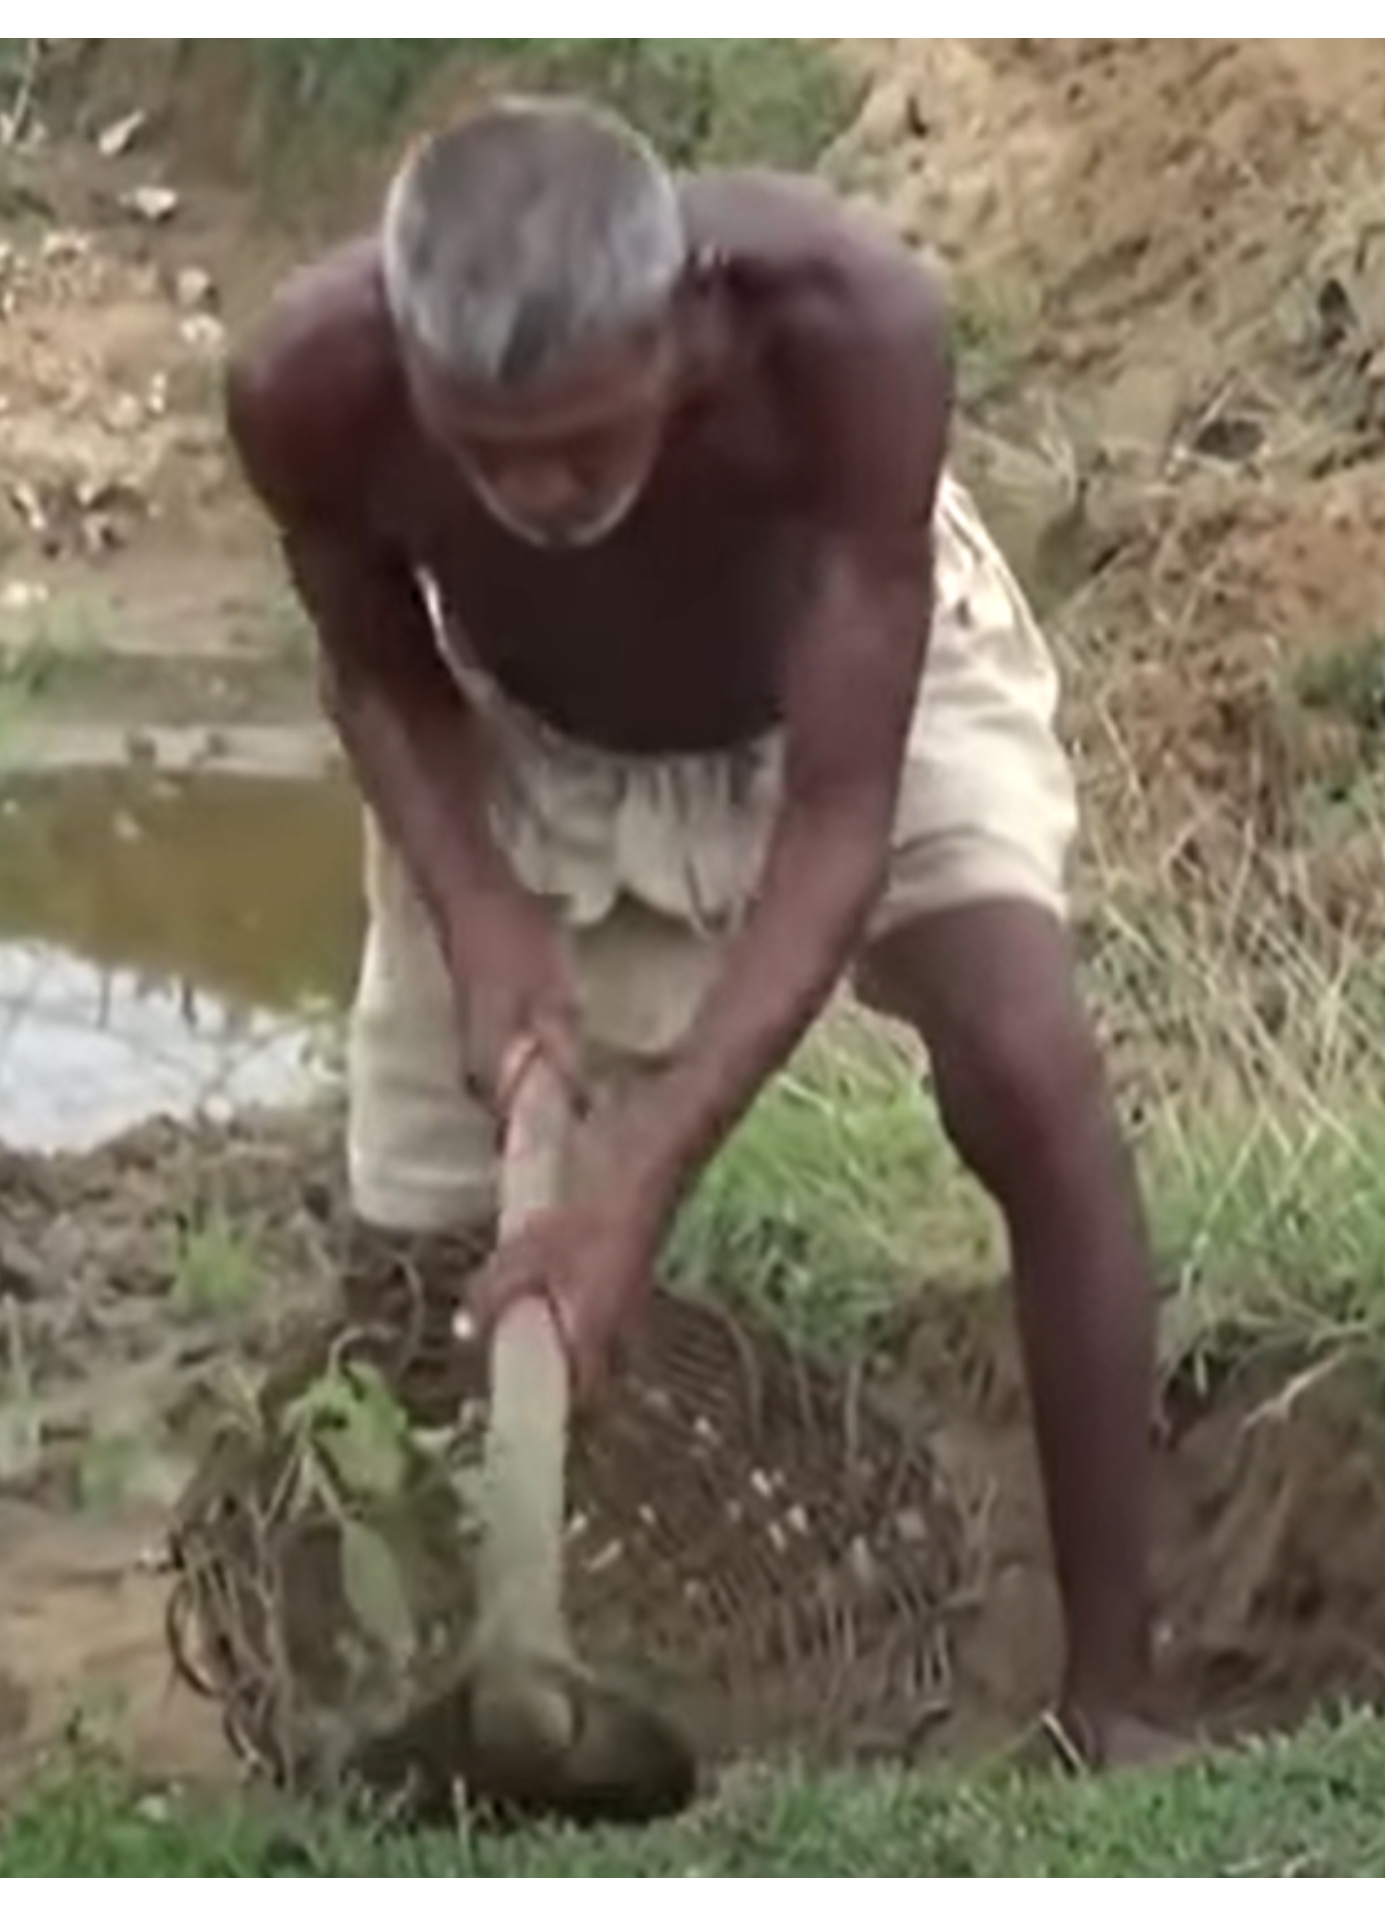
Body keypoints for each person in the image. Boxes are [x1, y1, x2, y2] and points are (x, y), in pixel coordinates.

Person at [221, 96, 1177, 1769]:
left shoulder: (850, 331)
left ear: (685, 328)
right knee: (418, 1241)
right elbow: (376, 662)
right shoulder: (308, 386)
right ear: (408, 358)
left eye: (586, 440)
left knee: (1030, 1069)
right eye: (485, 447)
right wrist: (480, 903)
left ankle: (1119, 1696)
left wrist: (638, 1178)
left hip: (848, 677)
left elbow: (834, 823)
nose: (535, 491)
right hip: (519, 723)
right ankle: (385, 1693)